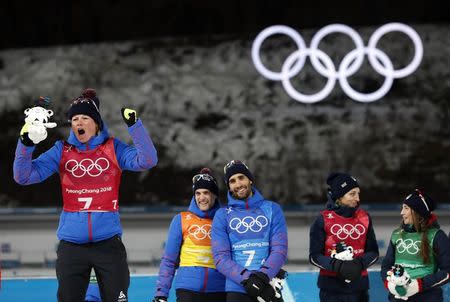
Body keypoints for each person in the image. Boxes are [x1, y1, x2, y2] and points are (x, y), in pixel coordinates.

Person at [13, 88, 158, 302]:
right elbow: (23, 176)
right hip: (72, 247)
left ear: (96, 123)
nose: (78, 122)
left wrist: (135, 126)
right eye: (74, 119)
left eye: (85, 118)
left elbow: (147, 160)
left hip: (108, 244)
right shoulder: (61, 150)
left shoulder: (113, 148)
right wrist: (25, 144)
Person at [211, 160, 288, 302]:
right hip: (237, 289)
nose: (238, 184)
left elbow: (280, 249)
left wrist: (262, 277)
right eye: (232, 181)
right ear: (229, 186)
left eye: (241, 178)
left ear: (250, 180)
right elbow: (221, 258)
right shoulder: (222, 215)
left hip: (268, 287)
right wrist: (247, 279)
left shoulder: (272, 209)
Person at [152, 168, 226, 302]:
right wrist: (161, 294)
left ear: (214, 195)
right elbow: (169, 260)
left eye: (206, 193)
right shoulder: (181, 219)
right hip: (187, 290)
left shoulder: (224, 220)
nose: (201, 198)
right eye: (197, 193)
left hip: (218, 289)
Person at [309, 172, 379, 302]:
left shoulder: (365, 218)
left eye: (358, 193)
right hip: (331, 289)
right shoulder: (322, 219)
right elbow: (314, 257)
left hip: (359, 289)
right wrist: (337, 265)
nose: (357, 198)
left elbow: (373, 252)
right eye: (352, 194)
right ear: (339, 197)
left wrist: (358, 264)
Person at [381, 189, 450, 301]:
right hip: (398, 298)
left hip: (428, 297)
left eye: (406, 208)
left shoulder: (437, 236)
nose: (401, 212)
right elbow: (385, 267)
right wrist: (389, 283)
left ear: (418, 212)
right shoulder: (397, 234)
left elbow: (447, 271)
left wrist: (419, 285)